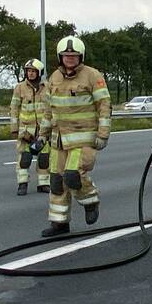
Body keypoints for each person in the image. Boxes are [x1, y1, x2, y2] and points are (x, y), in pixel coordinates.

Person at [37, 35, 112, 237]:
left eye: (74, 55)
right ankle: (59, 223)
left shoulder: (92, 76)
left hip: (83, 138)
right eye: (66, 55)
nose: (70, 58)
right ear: (60, 57)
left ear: (81, 56)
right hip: (58, 140)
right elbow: (48, 111)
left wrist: (103, 135)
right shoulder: (54, 78)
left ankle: (91, 201)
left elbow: (104, 106)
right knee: (56, 181)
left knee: (73, 176)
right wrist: (42, 136)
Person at [9, 58, 50, 196]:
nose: (31, 73)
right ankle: (22, 184)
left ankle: (43, 184)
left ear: (40, 72)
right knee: (24, 158)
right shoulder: (20, 88)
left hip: (43, 132)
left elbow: (52, 108)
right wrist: (14, 128)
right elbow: (14, 108)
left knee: (44, 158)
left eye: (33, 71)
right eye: (28, 71)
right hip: (26, 132)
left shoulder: (47, 87)